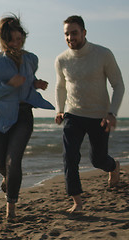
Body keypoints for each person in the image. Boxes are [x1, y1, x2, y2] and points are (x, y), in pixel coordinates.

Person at [0, 14, 54, 218]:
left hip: (24, 115)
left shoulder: (31, 59)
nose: (17, 43)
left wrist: (36, 84)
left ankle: (11, 208)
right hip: (0, 118)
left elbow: (28, 81)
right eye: (13, 40)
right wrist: (9, 85)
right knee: (0, 164)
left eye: (20, 39)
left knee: (13, 161)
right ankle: (9, 180)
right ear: (3, 40)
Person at [55, 15, 125, 213]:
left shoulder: (103, 54)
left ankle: (113, 166)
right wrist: (60, 109)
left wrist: (112, 113)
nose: (70, 37)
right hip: (73, 114)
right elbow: (60, 87)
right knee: (69, 157)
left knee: (98, 160)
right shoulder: (61, 60)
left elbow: (118, 85)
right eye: (66, 34)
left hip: (99, 116)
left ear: (84, 33)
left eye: (74, 33)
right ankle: (77, 201)